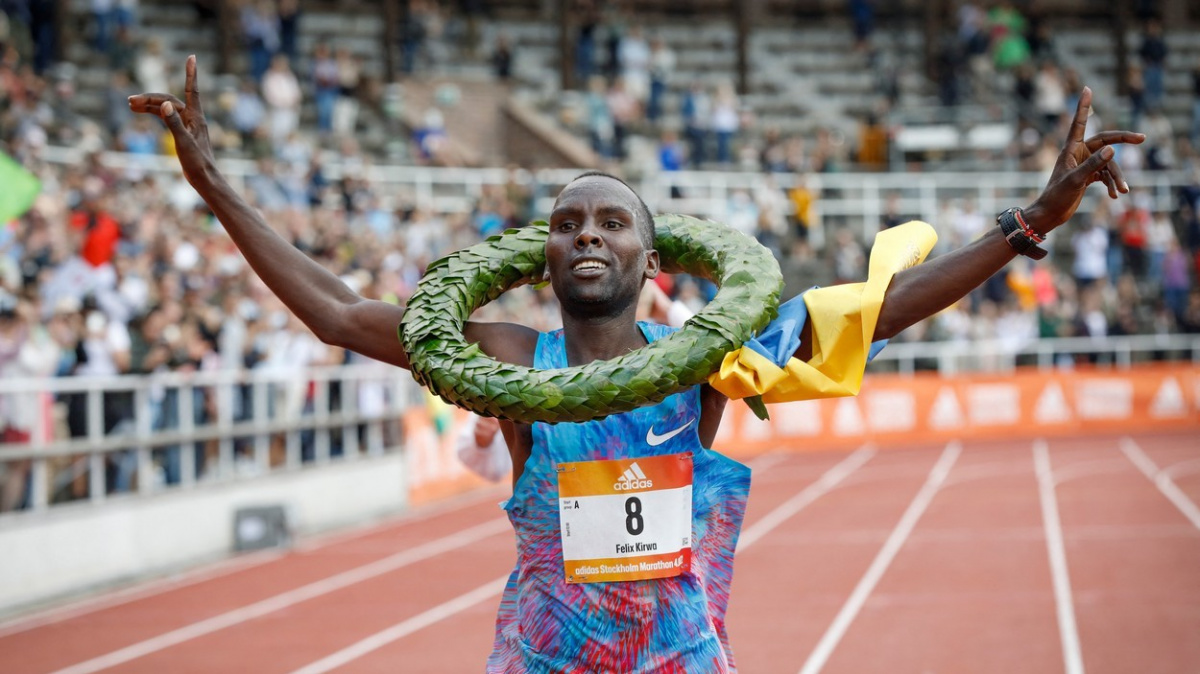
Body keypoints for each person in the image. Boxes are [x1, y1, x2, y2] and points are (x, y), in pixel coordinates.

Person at [131, 56, 1143, 672]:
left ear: (652, 259)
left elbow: (875, 311)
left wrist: (1029, 221)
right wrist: (216, 190)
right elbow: (339, 311)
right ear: (540, 253)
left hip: (680, 656)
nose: (587, 232)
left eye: (613, 220)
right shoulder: (501, 353)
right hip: (543, 658)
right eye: (566, 219)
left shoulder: (709, 358)